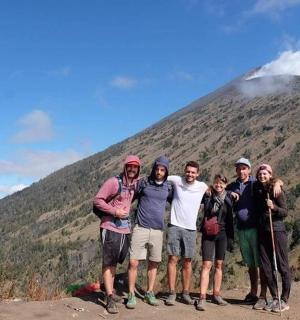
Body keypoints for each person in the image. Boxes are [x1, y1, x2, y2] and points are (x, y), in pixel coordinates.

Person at [227, 157, 281, 309]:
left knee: (261, 263)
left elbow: (272, 181)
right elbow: (219, 188)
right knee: (250, 264)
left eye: (244, 168)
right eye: (238, 168)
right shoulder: (233, 185)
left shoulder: (255, 183)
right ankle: (253, 293)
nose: (241, 171)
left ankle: (263, 296)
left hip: (256, 229)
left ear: (249, 170)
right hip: (242, 229)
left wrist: (278, 182)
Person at [93, 155, 141, 314]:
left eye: (135, 167)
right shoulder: (113, 182)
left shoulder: (135, 184)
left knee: (115, 262)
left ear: (138, 168)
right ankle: (108, 296)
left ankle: (111, 292)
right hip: (110, 226)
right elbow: (98, 200)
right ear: (125, 167)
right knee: (109, 262)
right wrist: (115, 211)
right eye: (130, 166)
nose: (132, 169)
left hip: (124, 229)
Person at [126, 156, 173, 309]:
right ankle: (131, 294)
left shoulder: (168, 187)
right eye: (157, 169)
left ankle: (149, 292)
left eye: (162, 170)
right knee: (133, 262)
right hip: (141, 227)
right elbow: (130, 198)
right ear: (154, 169)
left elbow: (179, 201)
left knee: (153, 263)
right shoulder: (144, 183)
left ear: (166, 172)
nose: (159, 172)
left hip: (158, 230)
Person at [165, 161, 208, 306]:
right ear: (184, 170)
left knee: (187, 261)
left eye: (193, 172)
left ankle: (185, 293)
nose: (190, 174)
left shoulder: (202, 186)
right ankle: (171, 292)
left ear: (198, 173)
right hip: (174, 226)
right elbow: (160, 177)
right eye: (188, 171)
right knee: (173, 259)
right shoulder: (177, 180)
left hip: (190, 229)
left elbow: (218, 189)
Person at [254, 164, 290, 313]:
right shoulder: (258, 188)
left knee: (281, 265)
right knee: (267, 267)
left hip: (276, 230)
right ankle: (275, 297)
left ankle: (284, 299)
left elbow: (285, 212)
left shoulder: (276, 190)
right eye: (260, 174)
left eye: (265, 174)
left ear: (270, 175)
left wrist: (273, 208)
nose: (262, 176)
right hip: (263, 232)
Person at [197, 174, 234, 311]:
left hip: (223, 234)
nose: (219, 185)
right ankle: (202, 297)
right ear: (214, 183)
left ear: (225, 185)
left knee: (219, 264)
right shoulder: (207, 195)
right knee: (207, 264)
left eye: (222, 184)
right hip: (209, 233)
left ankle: (216, 294)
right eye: (217, 183)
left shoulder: (229, 197)